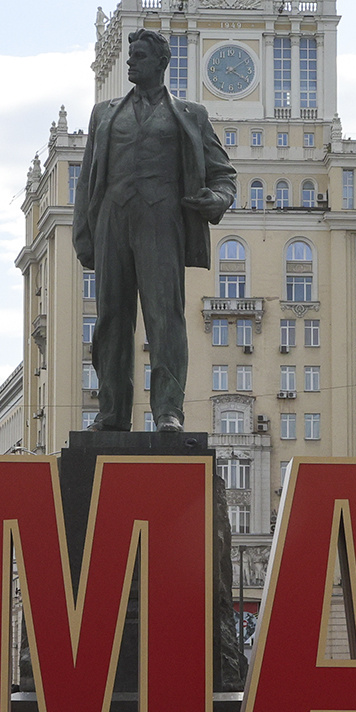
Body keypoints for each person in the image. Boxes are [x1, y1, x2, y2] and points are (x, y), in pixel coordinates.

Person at [72, 28, 236, 431]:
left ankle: (168, 411)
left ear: (162, 63)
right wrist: (83, 233)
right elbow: (87, 180)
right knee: (111, 319)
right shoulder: (104, 114)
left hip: (162, 223)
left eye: (140, 56)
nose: (131, 62)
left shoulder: (191, 115)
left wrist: (217, 199)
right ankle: (112, 413)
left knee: (165, 318)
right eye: (130, 56)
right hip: (112, 222)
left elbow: (223, 174)